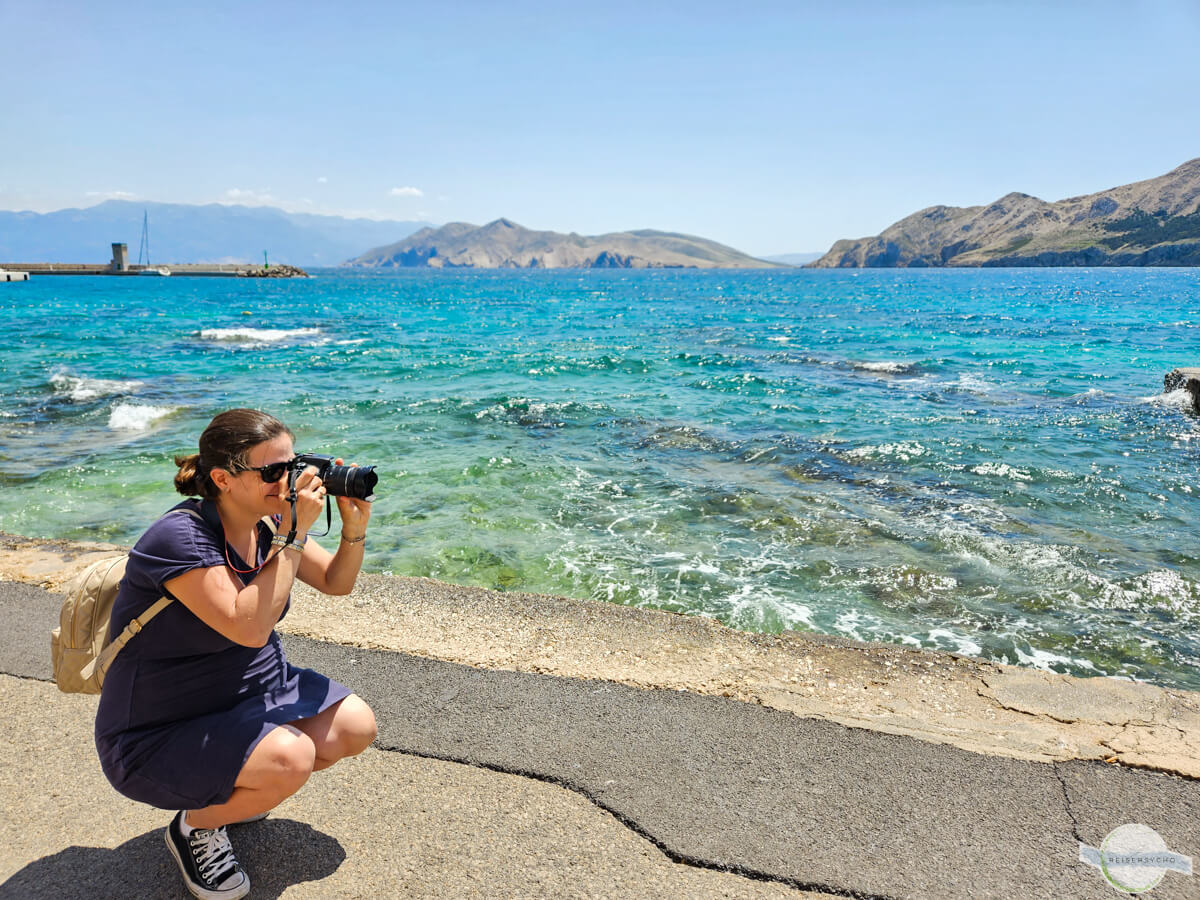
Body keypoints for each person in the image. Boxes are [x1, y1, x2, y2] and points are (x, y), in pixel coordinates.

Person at [95, 409, 377, 900]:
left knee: (354, 728)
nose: (288, 481)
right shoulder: (179, 538)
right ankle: (196, 827)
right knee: (291, 760)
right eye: (271, 472)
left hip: (254, 693)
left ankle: (235, 789)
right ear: (223, 478)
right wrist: (295, 534)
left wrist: (353, 528)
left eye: (291, 465)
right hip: (162, 726)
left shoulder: (266, 522)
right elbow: (247, 627)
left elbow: (337, 582)